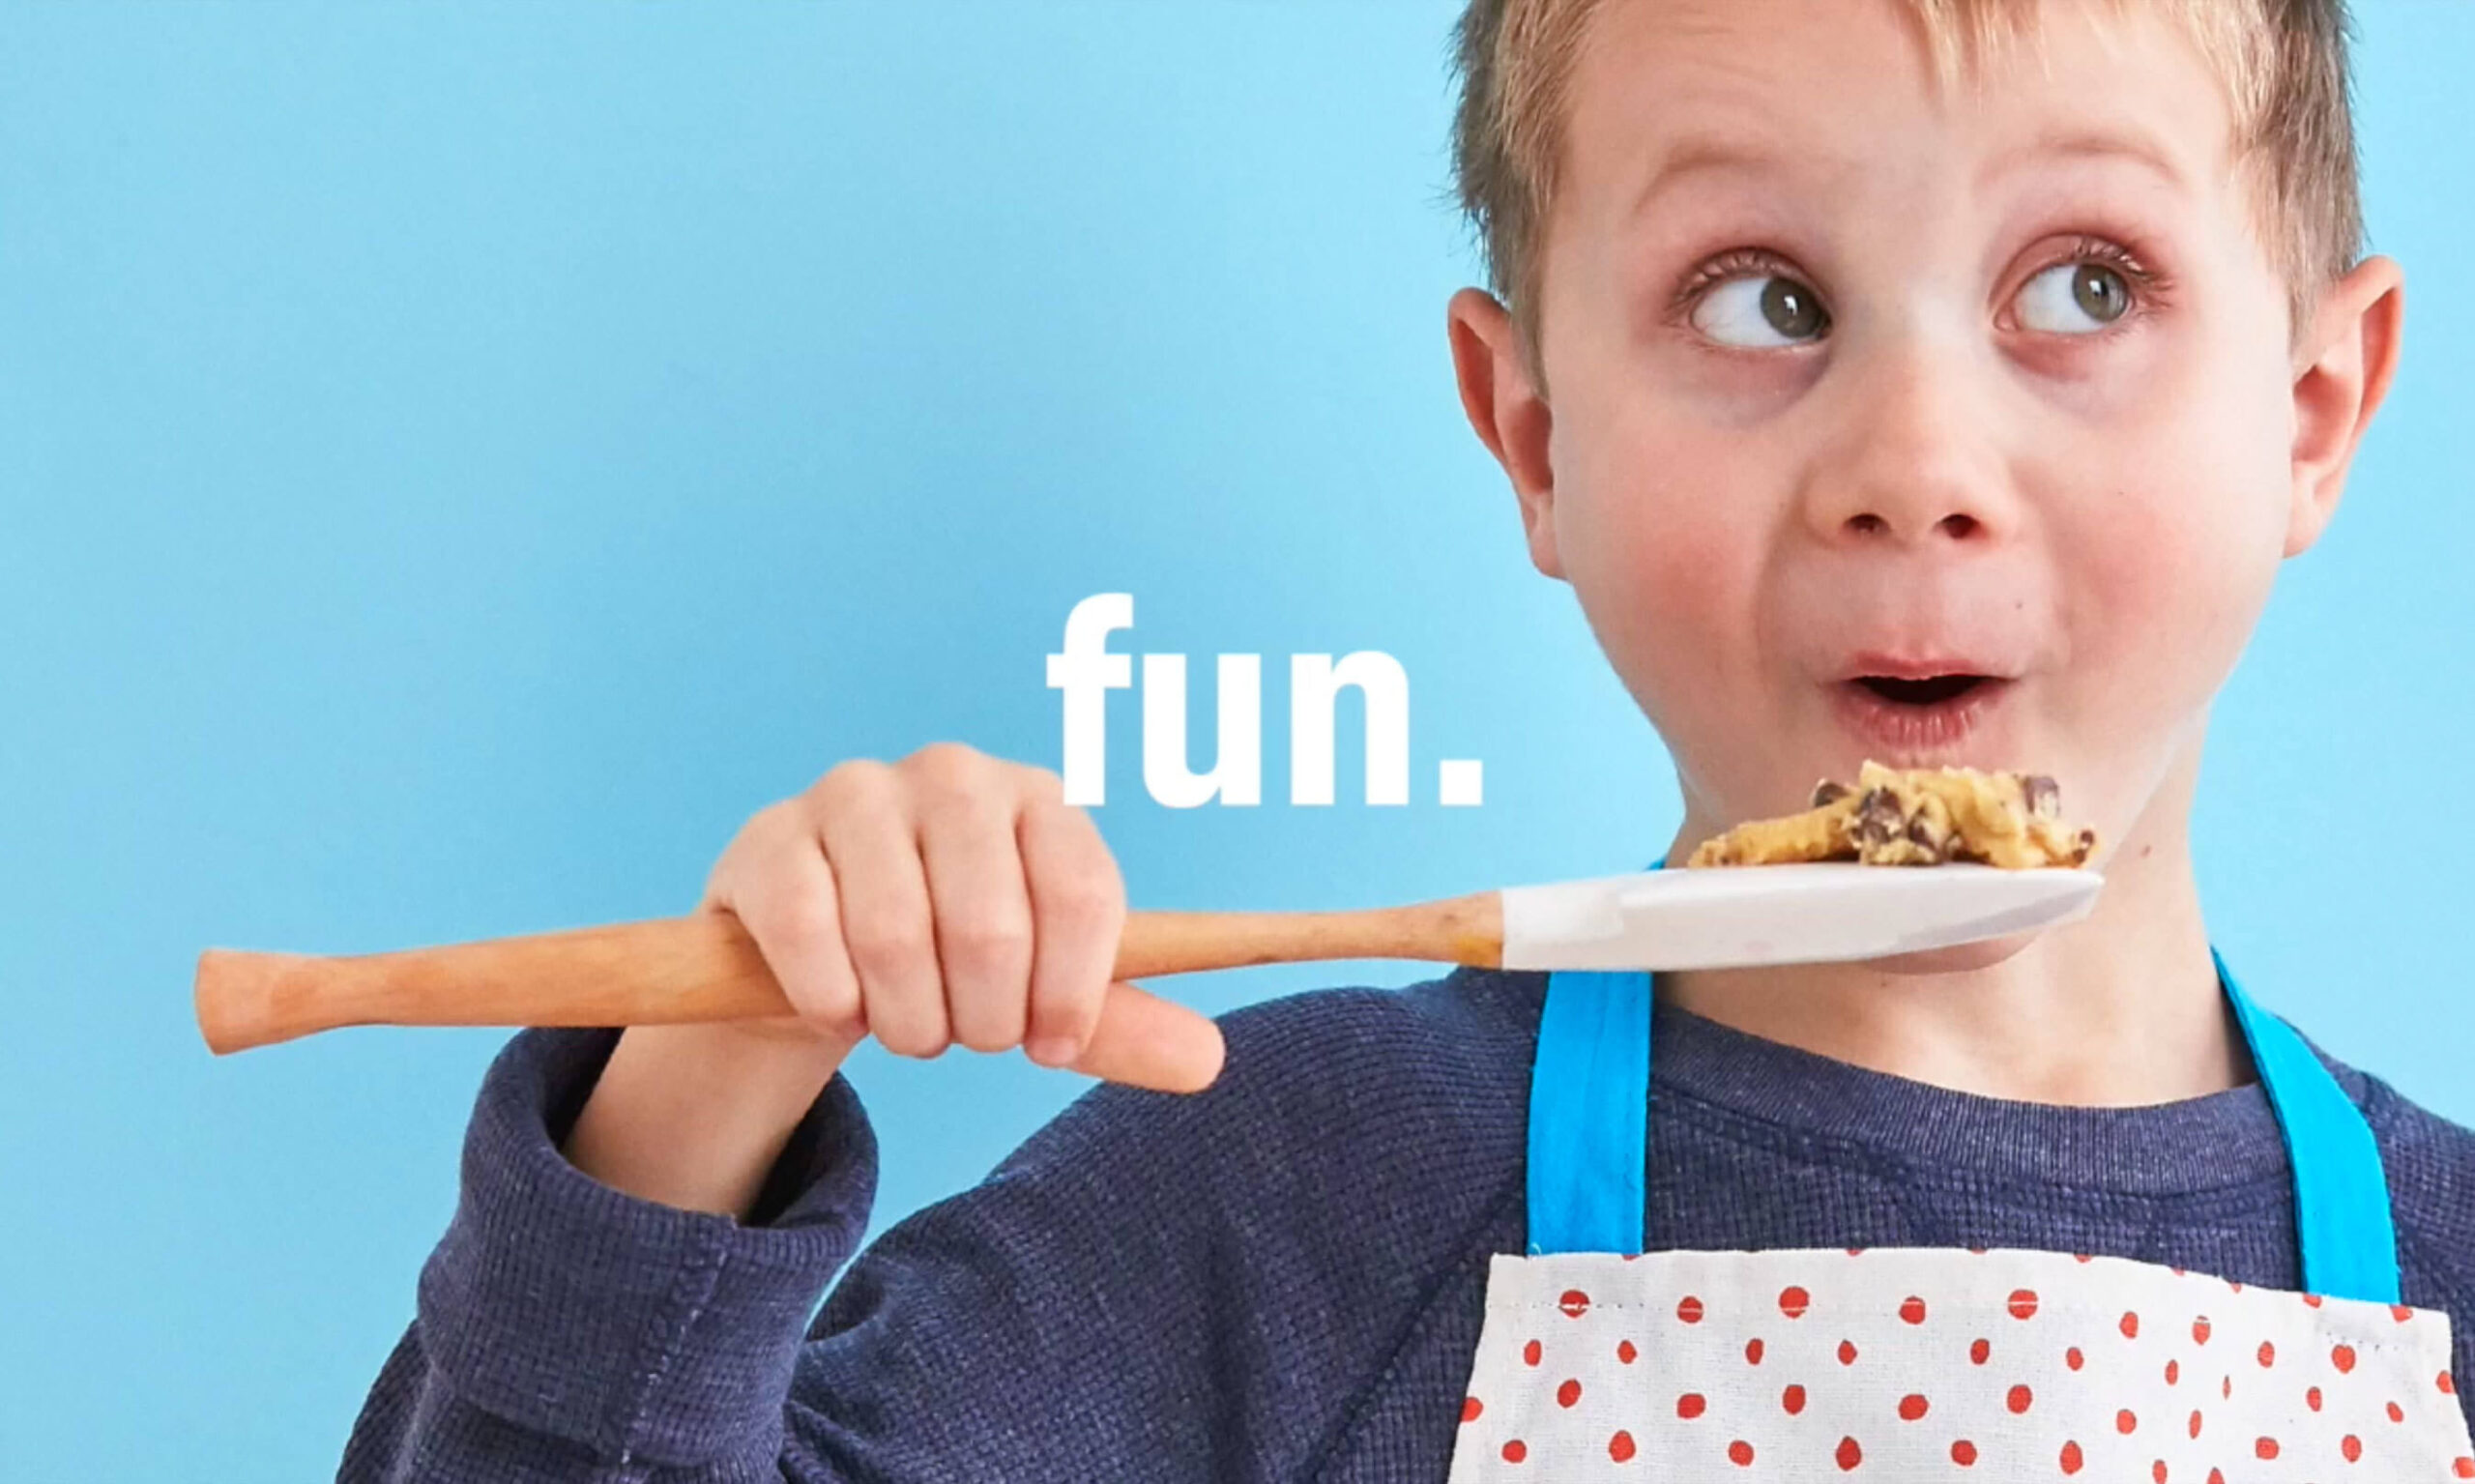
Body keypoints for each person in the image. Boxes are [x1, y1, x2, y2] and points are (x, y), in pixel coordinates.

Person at [339, 1, 2475, 1478]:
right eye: (1762, 298)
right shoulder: (1277, 1213)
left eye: (2084, 286)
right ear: (1528, 434)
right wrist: (712, 1074)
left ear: (2311, 410)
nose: (1910, 461)